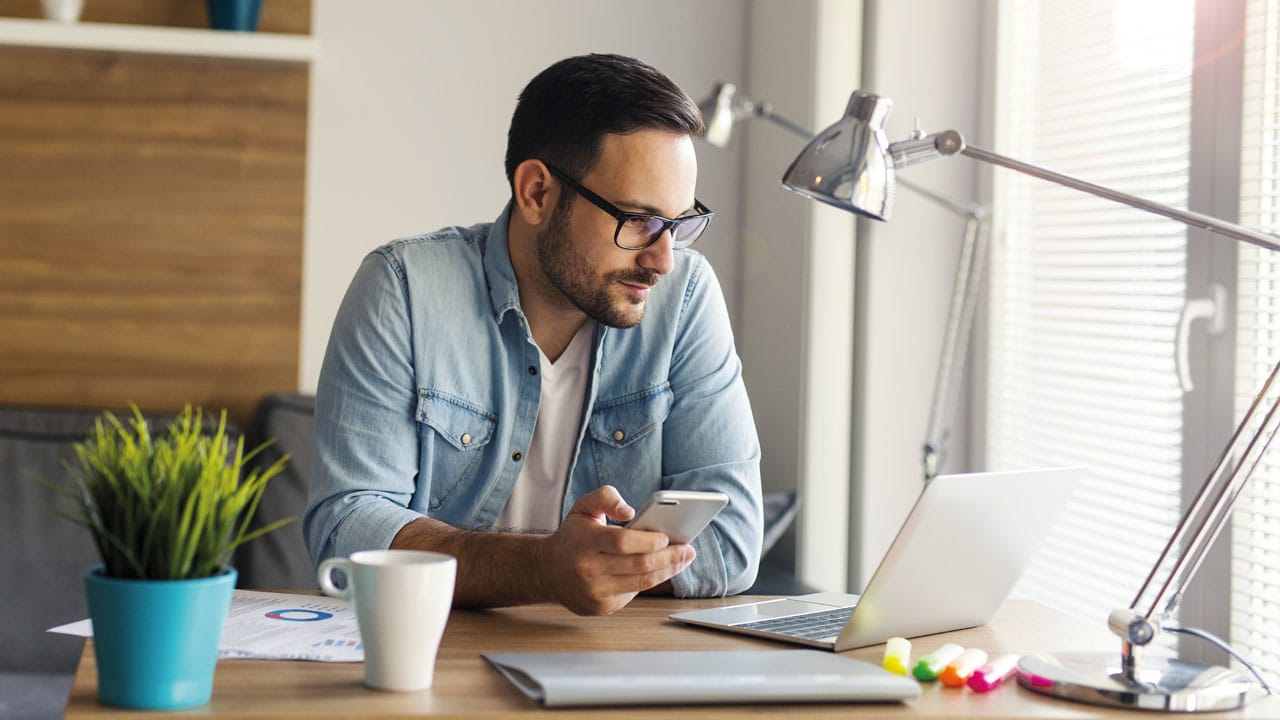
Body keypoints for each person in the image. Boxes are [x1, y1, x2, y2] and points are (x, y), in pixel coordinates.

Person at [304, 53, 762, 616]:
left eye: (678, 224)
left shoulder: (686, 299)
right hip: (432, 656)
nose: (663, 260)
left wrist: (594, 570)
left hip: (613, 665)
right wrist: (543, 570)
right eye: (638, 220)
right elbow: (346, 528)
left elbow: (734, 540)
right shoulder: (404, 288)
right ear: (537, 193)